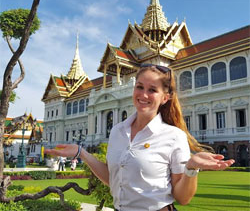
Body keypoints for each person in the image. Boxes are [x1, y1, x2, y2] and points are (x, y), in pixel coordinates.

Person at [45, 64, 234, 211]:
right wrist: (81, 152)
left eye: (152, 90)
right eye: (139, 87)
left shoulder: (173, 136)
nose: (143, 95)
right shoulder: (117, 131)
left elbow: (183, 198)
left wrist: (191, 168)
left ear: (165, 98)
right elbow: (113, 179)